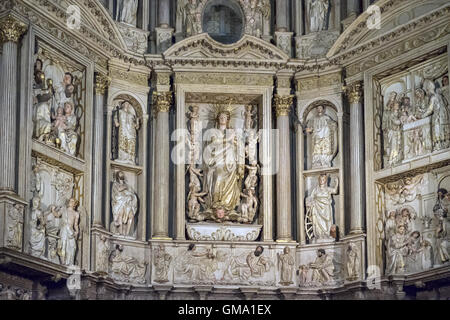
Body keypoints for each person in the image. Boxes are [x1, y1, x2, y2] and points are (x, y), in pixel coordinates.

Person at [306, 174, 339, 241]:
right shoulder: (315, 190)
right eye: (320, 179)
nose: (322, 181)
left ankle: (327, 234)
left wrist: (337, 182)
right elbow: (311, 198)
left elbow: (335, 191)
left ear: (325, 181)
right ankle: (319, 235)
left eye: (323, 179)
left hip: (326, 208)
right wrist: (309, 202)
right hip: (317, 208)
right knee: (317, 222)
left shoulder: (327, 189)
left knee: (327, 221)